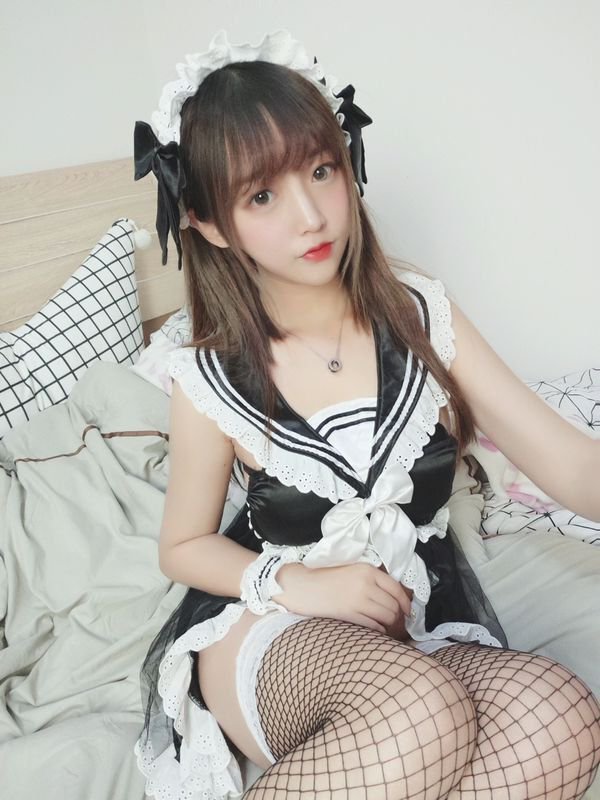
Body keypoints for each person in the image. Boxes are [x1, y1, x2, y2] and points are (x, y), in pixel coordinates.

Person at [133, 30, 600, 800]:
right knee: (419, 713)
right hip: (273, 622)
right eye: (262, 196)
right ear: (209, 223)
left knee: (559, 717)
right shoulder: (208, 371)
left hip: (406, 616)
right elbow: (182, 546)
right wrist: (297, 584)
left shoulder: (422, 313)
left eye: (322, 171)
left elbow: (569, 460)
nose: (311, 216)